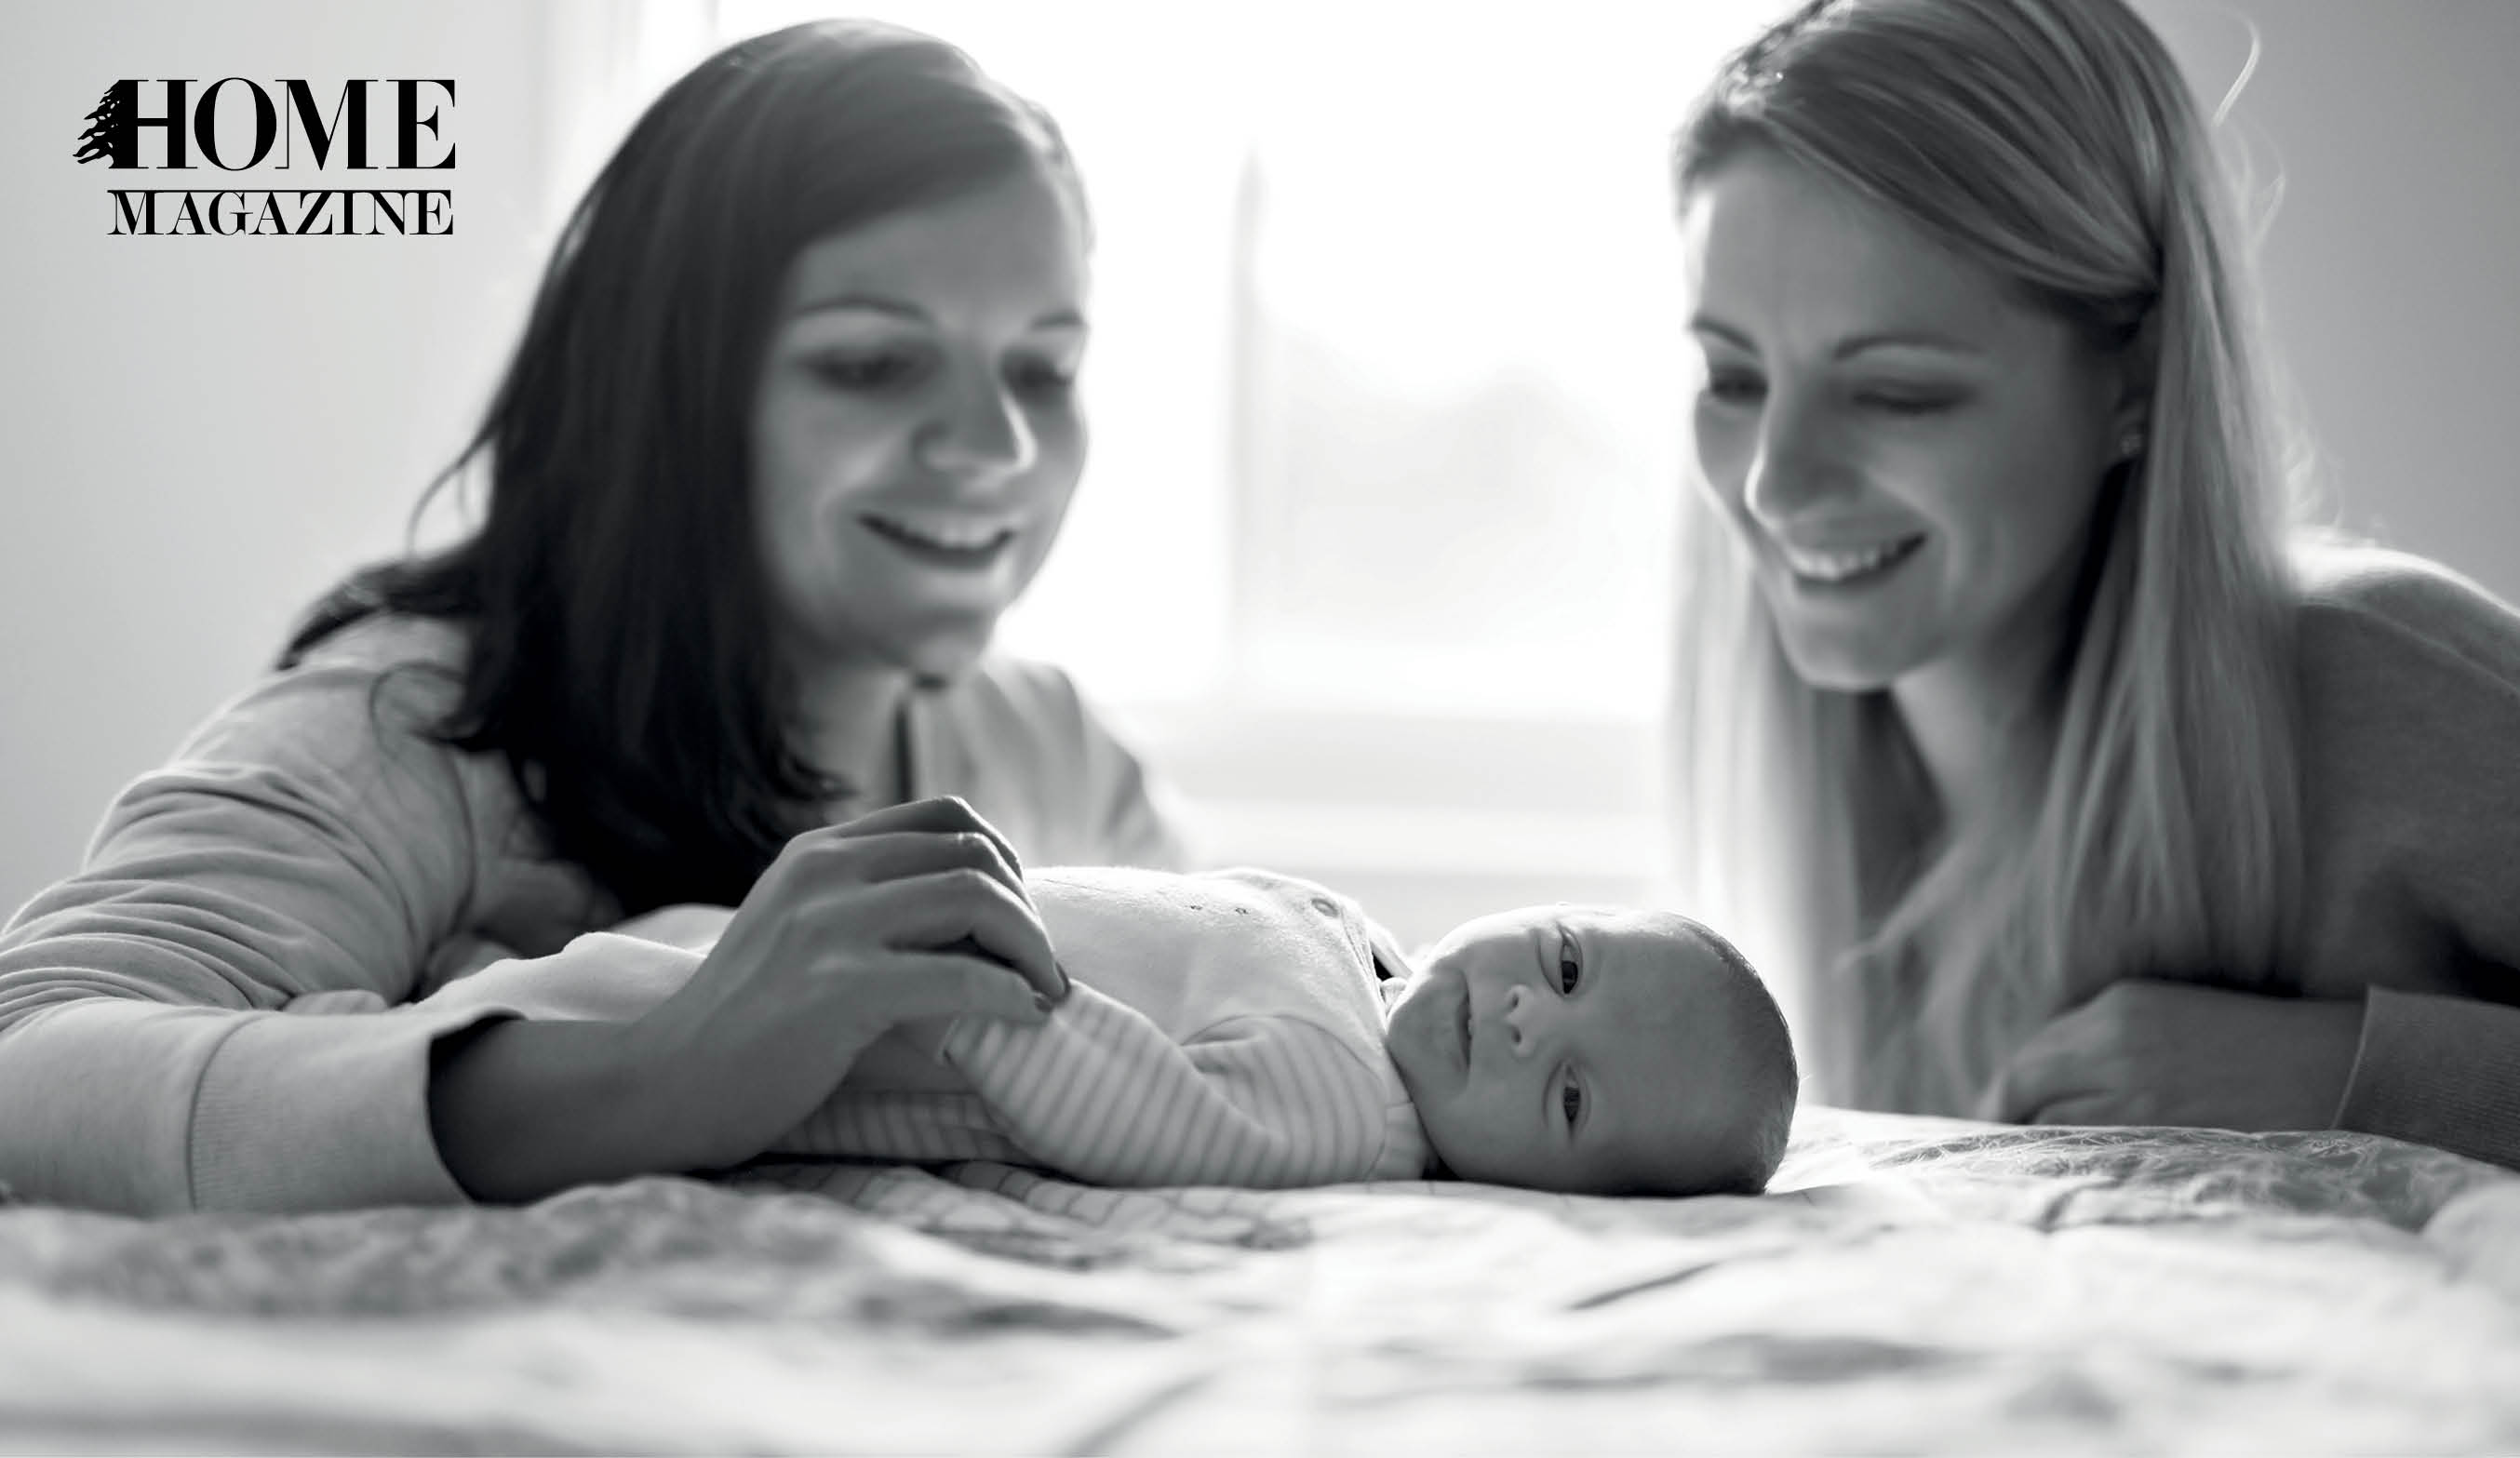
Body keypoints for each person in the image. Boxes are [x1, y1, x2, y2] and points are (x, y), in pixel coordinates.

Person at [0, 21, 1186, 1217]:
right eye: (873, 363)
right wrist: (662, 1073)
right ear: (665, 388)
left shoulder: (1057, 757)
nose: (998, 448)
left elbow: (1244, 1058)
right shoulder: (419, 729)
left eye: (1043, 369)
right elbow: (29, 1054)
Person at [1663, 0, 2520, 1169]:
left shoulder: (2376, 679)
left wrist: (2347, 1075)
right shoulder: (1831, 808)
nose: (1773, 484)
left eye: (1897, 392)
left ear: (2133, 382)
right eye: (1730, 377)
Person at [411, 860, 1799, 1197]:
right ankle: (472, 971)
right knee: (646, 941)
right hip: (824, 948)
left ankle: (427, 1010)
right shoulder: (1360, 971)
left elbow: (1143, 1115)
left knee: (595, 998)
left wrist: (970, 1004)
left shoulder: (1344, 1112)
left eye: (1565, 1094)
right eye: (1562, 962)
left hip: (857, 1025)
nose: (1515, 1014)